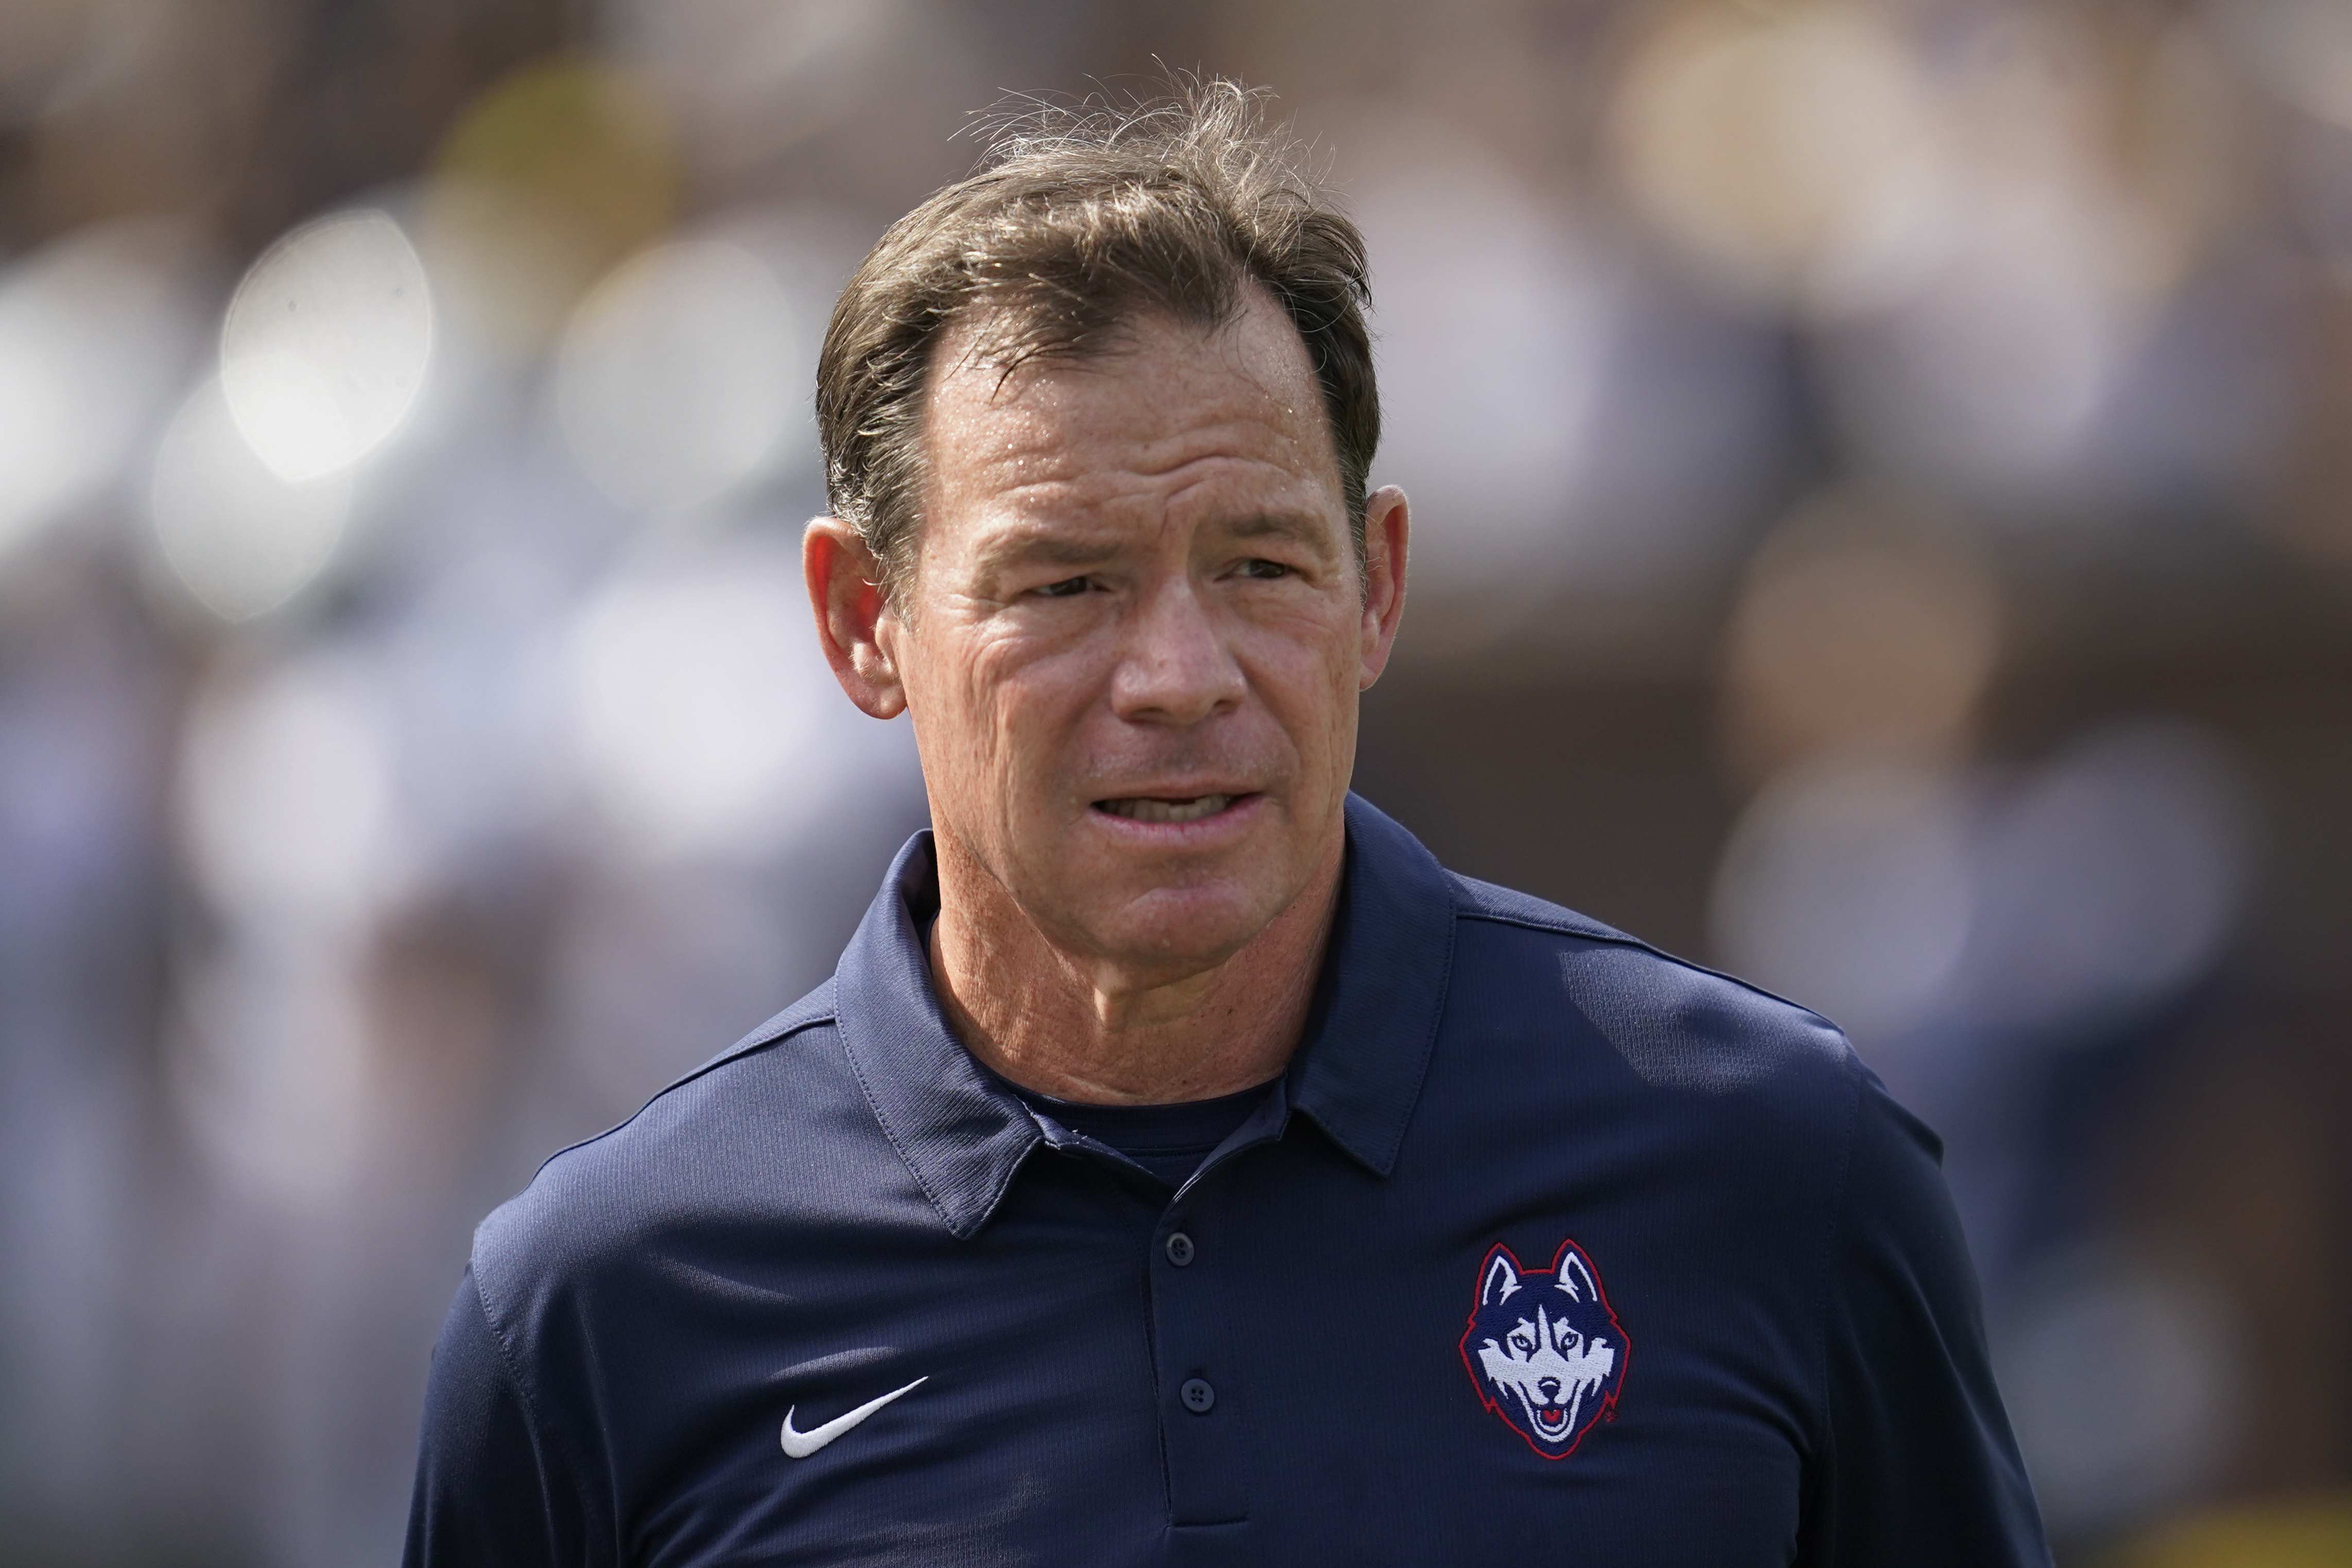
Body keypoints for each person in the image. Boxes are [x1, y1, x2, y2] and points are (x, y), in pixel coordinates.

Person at [404, 81, 2050, 1566]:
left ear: (1376, 589)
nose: (1180, 677)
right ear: (862, 624)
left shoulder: (1772, 1163)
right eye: (1066, 584)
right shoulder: (605, 1307)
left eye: (1261, 566)